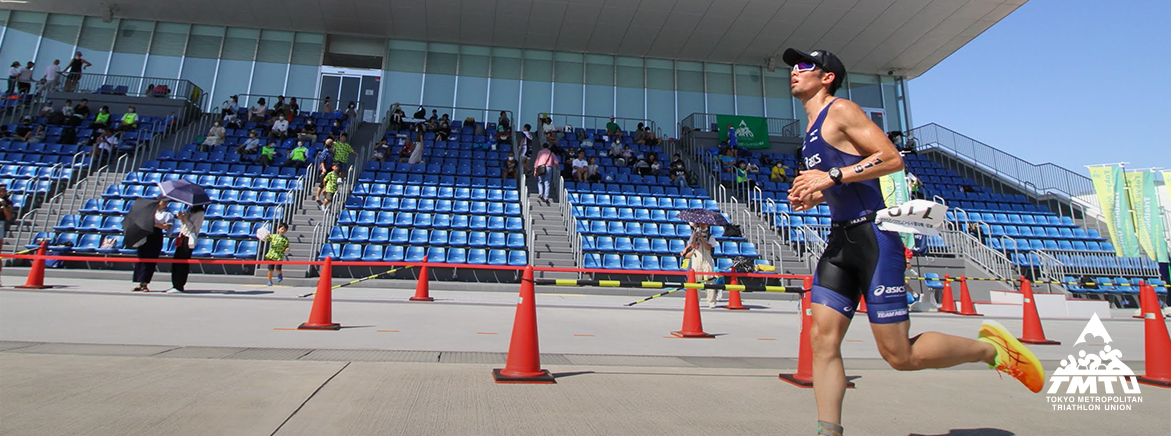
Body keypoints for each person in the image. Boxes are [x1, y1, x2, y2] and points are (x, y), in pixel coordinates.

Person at [782, 48, 1042, 436]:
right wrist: (813, 195)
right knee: (822, 340)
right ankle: (828, 430)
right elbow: (845, 182)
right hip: (839, 242)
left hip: (874, 237)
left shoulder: (842, 111)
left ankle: (994, 351)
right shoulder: (810, 131)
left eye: (805, 66)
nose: (795, 72)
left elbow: (890, 159)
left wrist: (831, 176)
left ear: (827, 77)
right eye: (794, 67)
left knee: (899, 356)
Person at [133, 198, 174, 293]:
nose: (165, 203)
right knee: (141, 257)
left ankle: (145, 283)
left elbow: (166, 226)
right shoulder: (150, 210)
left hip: (155, 236)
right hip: (146, 233)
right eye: (163, 201)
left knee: (150, 259)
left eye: (167, 202)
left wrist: (154, 224)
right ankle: (139, 281)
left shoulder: (167, 213)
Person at [168, 205, 204, 293]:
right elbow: (184, 225)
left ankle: (179, 285)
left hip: (189, 238)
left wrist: (185, 218)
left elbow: (194, 227)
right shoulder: (190, 211)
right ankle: (175, 284)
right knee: (176, 260)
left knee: (182, 261)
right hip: (183, 235)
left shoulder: (200, 213)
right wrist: (182, 218)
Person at [681, 222, 718, 308]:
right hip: (696, 257)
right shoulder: (694, 234)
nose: (702, 226)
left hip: (707, 259)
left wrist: (702, 239)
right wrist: (695, 238)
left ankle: (711, 301)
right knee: (696, 279)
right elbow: (692, 245)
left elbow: (709, 247)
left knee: (709, 280)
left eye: (704, 224)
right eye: (701, 224)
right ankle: (696, 300)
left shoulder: (710, 236)